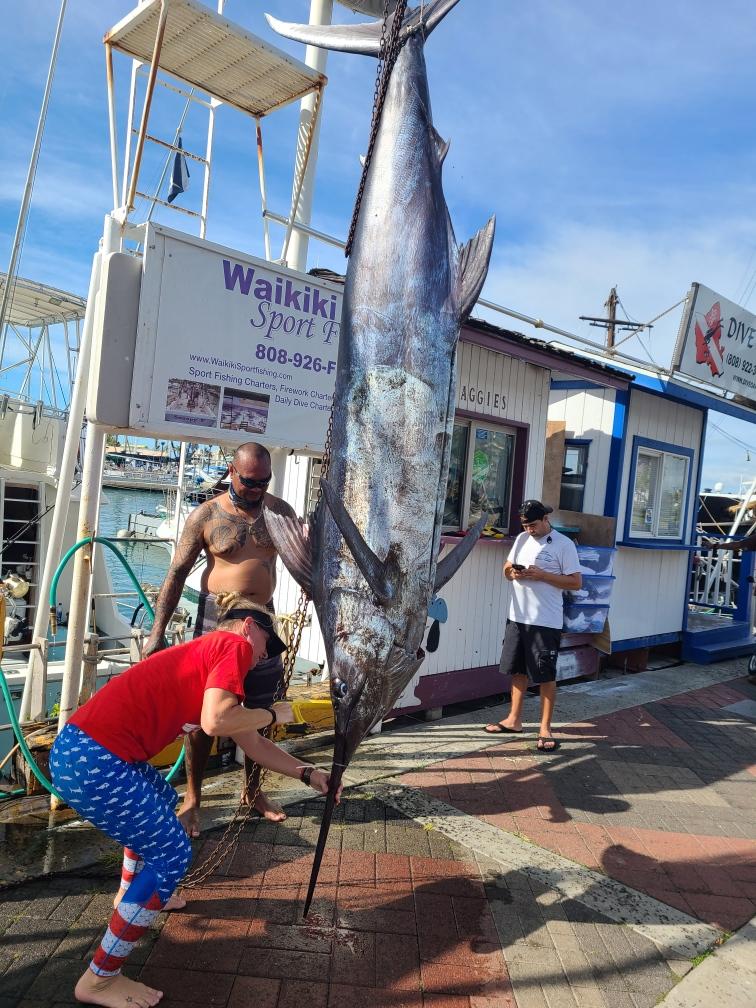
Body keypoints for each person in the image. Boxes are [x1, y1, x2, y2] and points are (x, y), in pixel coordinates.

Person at [50, 594, 340, 1008]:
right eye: (267, 643)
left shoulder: (208, 659)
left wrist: (308, 774)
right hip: (95, 759)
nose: (264, 656)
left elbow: (253, 744)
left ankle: (131, 892)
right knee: (172, 853)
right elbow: (216, 721)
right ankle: (99, 979)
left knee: (159, 798)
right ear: (248, 627)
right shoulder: (232, 645)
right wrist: (275, 713)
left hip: (84, 753)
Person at [143, 441, 299, 831]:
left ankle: (253, 791)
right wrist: (157, 633)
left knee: (261, 707)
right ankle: (193, 797)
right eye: (249, 481)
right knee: (204, 713)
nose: (257, 489)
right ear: (232, 472)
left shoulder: (280, 512)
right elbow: (176, 574)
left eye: (263, 482)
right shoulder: (206, 515)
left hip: (262, 618)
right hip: (216, 618)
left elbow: (303, 557)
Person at [483, 499, 582, 752]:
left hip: (545, 620)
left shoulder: (564, 545)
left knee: (545, 674)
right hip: (518, 617)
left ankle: (545, 728)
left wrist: (543, 575)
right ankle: (513, 720)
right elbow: (506, 568)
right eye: (525, 525)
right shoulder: (521, 539)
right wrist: (513, 573)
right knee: (517, 669)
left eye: (533, 525)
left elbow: (576, 582)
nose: (529, 530)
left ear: (546, 519)